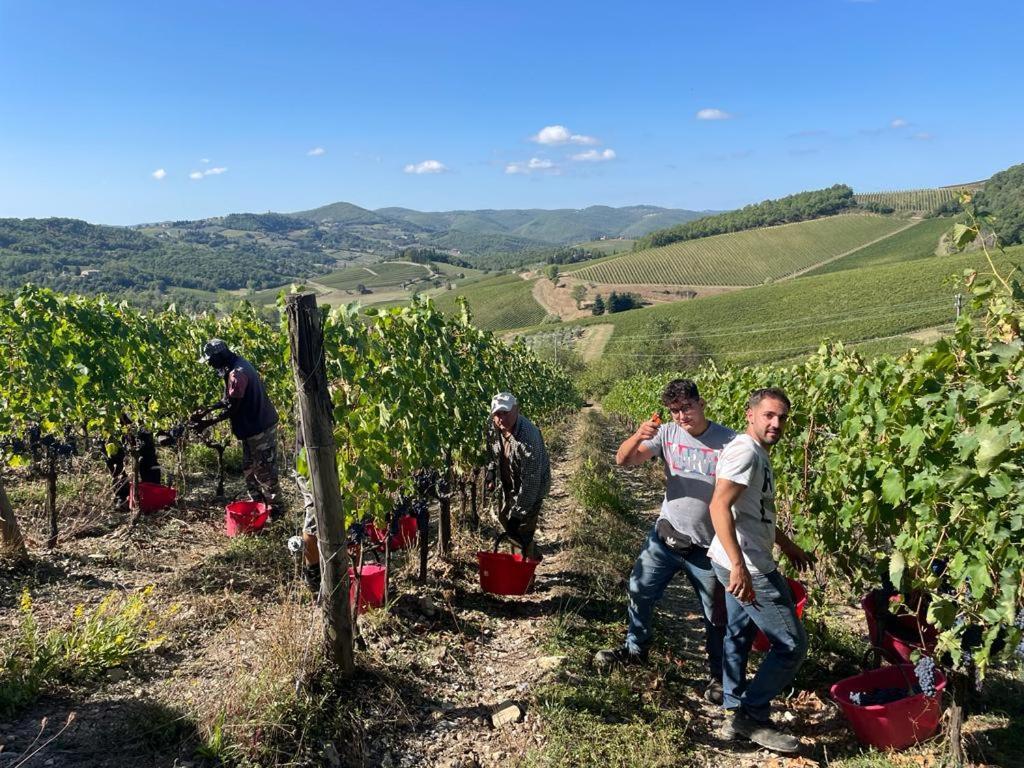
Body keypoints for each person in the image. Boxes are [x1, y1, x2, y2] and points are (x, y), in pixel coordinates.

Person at [594, 378, 735, 705]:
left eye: (687, 407)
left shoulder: (729, 441)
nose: (682, 416)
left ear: (701, 403)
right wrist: (638, 435)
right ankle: (635, 650)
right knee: (639, 589)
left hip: (708, 546)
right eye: (675, 411)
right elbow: (623, 460)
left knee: (716, 615)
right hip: (667, 534)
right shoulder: (668, 434)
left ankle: (718, 674)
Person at [707, 387, 811, 754]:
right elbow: (719, 506)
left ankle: (734, 705)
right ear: (750, 414)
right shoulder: (746, 452)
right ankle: (751, 714)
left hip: (738, 558)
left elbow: (754, 512)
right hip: (748, 565)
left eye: (782, 417)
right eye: (768, 415)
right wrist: (739, 567)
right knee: (792, 645)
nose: (776, 423)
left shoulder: (754, 452)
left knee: (738, 631)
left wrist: (785, 543)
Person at [197, 339, 282, 516]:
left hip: (260, 429)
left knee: (265, 471)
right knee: (249, 469)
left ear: (220, 356)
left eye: (211, 360)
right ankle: (258, 507)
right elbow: (227, 400)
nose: (210, 365)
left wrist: (206, 423)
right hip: (251, 429)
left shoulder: (237, 373)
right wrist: (206, 411)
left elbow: (232, 408)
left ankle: (277, 512)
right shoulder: (234, 366)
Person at [486, 392, 550, 561]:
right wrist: (491, 472)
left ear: (516, 410)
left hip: (532, 488)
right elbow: (491, 451)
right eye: (497, 414)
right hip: (508, 485)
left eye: (505, 413)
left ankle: (524, 581)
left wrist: (518, 513)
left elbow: (531, 482)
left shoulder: (528, 437)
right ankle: (532, 554)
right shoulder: (492, 426)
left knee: (519, 531)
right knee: (506, 521)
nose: (501, 418)